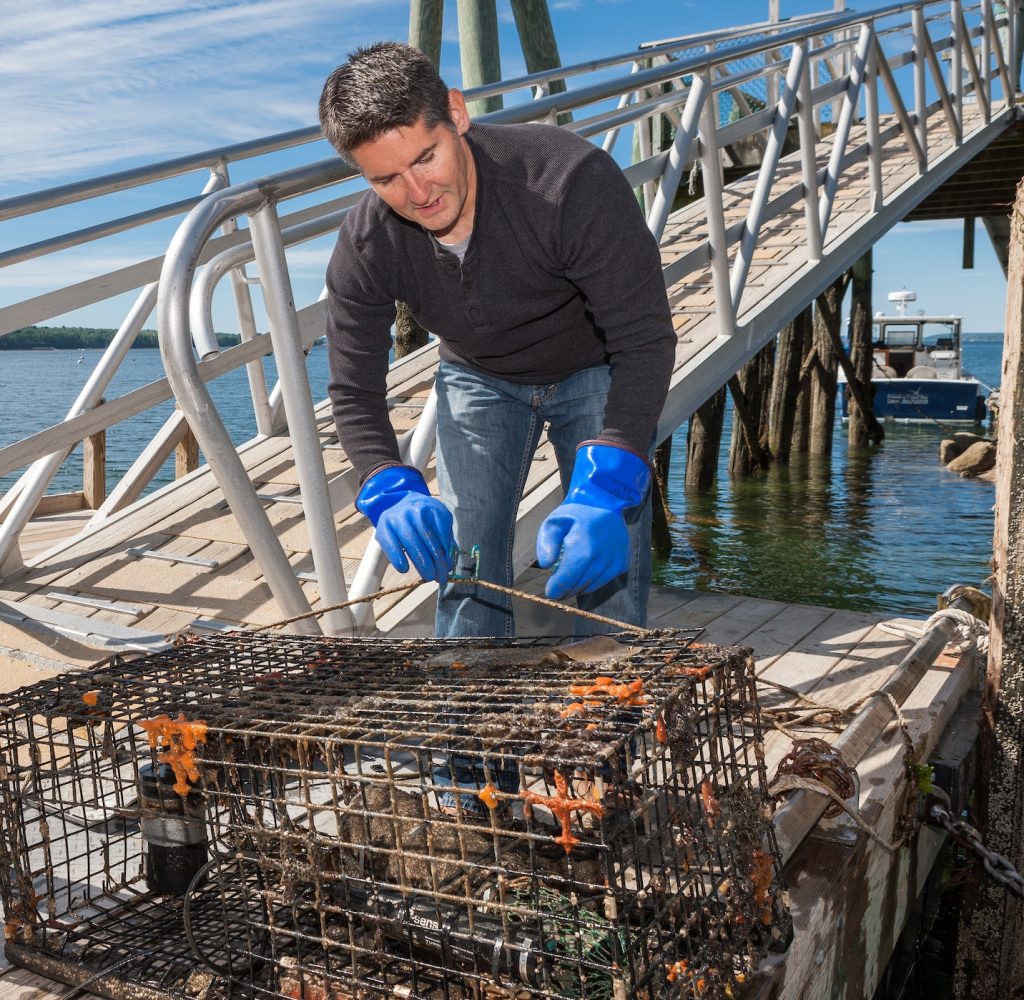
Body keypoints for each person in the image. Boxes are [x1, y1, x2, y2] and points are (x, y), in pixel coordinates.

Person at [318, 41, 675, 638]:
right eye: (387, 179)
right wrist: (385, 483)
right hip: (476, 375)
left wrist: (609, 485)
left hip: (592, 364)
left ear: (457, 113)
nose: (418, 192)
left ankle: (615, 707)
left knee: (606, 579)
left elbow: (644, 340)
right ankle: (469, 708)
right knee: (467, 569)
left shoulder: (571, 181)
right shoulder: (368, 241)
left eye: (426, 157)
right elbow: (353, 389)